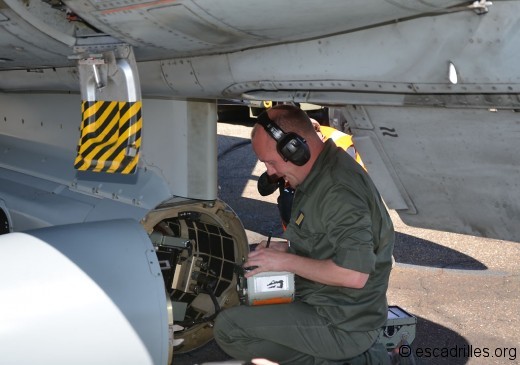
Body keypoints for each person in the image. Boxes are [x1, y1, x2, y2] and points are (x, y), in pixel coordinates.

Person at [213, 104, 395, 364]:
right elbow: (328, 242)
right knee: (245, 300)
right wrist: (287, 251)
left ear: (295, 150)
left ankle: (360, 360)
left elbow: (354, 275)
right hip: (325, 302)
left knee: (230, 329)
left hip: (343, 324)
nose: (270, 172)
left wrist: (285, 262)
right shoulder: (319, 174)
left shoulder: (338, 192)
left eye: (271, 162)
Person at [257, 118, 364, 230]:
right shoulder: (295, 147)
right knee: (289, 199)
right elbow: (264, 188)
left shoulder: (343, 149)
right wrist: (274, 176)